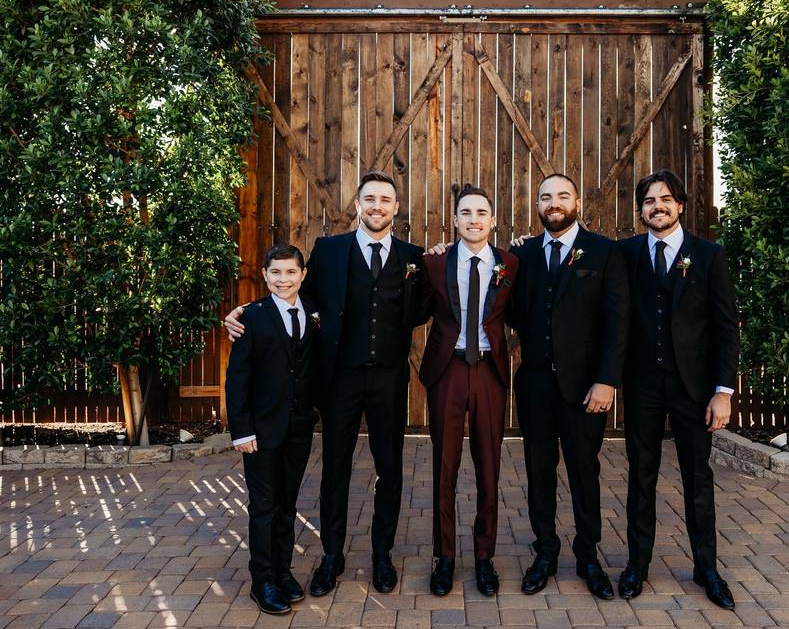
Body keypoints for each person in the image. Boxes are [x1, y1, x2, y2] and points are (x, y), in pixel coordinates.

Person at [224, 171, 425, 596]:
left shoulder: (413, 257)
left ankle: (382, 556)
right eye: (369, 198)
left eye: (385, 200)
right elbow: (296, 296)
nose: (377, 206)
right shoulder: (330, 251)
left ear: (395, 208)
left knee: (389, 471)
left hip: (389, 380)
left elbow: (426, 307)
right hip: (340, 382)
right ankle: (332, 555)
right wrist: (248, 312)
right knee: (335, 469)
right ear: (357, 205)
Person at [617, 169, 739, 609]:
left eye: (665, 199)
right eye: (649, 201)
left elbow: (726, 328)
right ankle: (637, 565)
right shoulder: (626, 253)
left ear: (681, 205)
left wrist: (723, 391)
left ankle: (707, 567)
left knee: (697, 478)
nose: (658, 207)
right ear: (641, 210)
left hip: (694, 388)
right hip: (643, 384)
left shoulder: (708, 255)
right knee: (640, 476)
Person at [508, 173, 629, 600]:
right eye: (545, 197)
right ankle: (544, 552)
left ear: (577, 201)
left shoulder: (604, 252)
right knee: (539, 473)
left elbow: (618, 323)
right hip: (536, 385)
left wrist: (606, 381)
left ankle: (588, 556)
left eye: (562, 195)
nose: (553, 203)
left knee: (584, 473)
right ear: (537, 205)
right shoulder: (522, 254)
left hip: (584, 388)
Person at [418, 185, 519, 597]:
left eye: (482, 212)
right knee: (444, 465)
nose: (474, 219)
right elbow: (407, 307)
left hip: (490, 372)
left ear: (493, 220)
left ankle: (484, 558)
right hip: (448, 369)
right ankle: (444, 558)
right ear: (455, 220)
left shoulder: (511, 263)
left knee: (488, 467)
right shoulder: (434, 264)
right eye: (465, 212)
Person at [225, 243, 319, 615]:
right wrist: (241, 430)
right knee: (263, 505)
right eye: (276, 272)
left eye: (290, 272)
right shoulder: (252, 317)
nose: (283, 279)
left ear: (302, 275)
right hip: (261, 431)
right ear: (265, 275)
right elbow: (238, 379)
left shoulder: (313, 312)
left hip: (298, 427)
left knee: (287, 504)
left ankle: (283, 571)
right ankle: (262, 580)